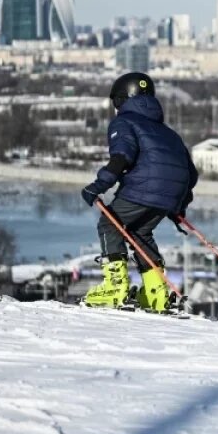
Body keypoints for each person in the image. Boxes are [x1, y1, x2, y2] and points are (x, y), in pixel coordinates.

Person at [81, 72, 198, 312]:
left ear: (121, 100)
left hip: (143, 188)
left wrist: (97, 186)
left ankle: (115, 287)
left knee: (109, 224)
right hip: (171, 195)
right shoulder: (168, 132)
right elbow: (191, 174)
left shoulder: (124, 122)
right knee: (140, 232)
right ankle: (156, 292)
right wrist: (178, 207)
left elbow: (121, 158)